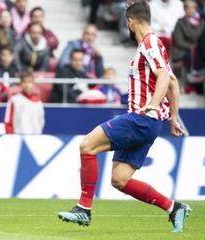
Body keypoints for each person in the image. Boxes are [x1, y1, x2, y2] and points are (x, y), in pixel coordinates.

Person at [57, 1, 191, 233]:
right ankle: (174, 207)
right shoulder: (152, 45)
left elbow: (163, 78)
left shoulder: (150, 42)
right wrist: (173, 117)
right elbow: (174, 82)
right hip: (149, 123)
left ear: (129, 21)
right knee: (119, 179)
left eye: (126, 22)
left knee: (87, 145)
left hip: (141, 119)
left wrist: (153, 105)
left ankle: (84, 209)